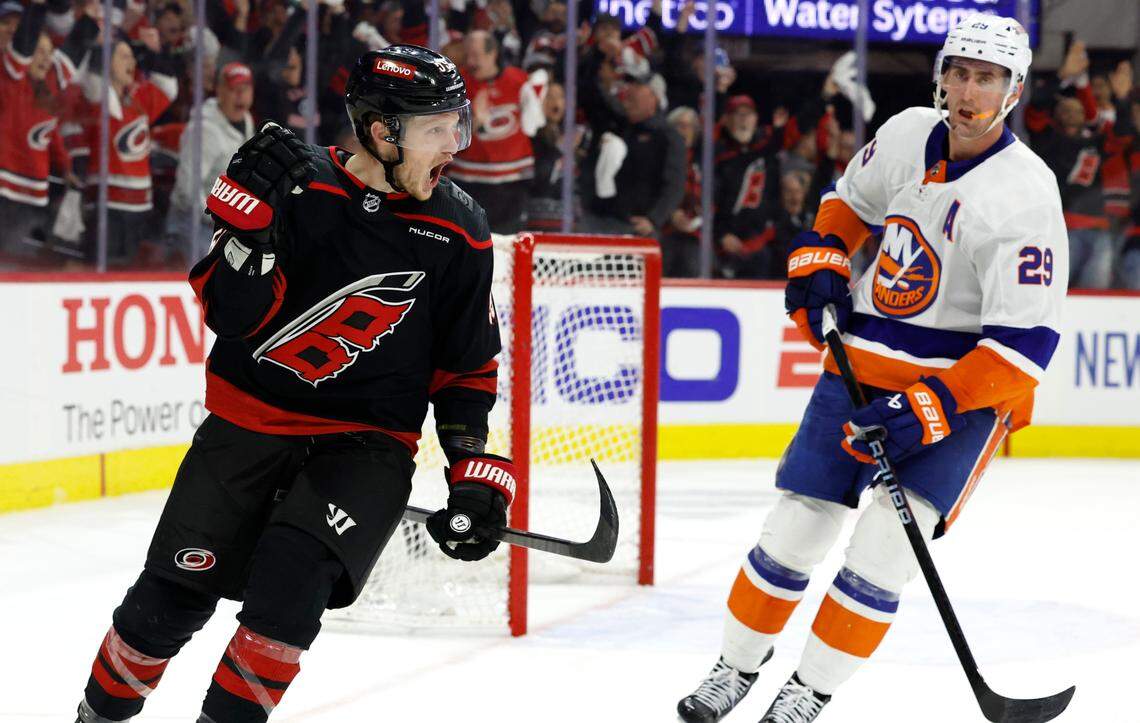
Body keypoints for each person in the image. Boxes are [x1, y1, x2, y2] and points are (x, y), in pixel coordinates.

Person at [74, 44, 517, 723]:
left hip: (367, 444)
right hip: (246, 425)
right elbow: (232, 316)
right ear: (381, 132)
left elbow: (465, 365)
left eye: (455, 127)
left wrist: (472, 462)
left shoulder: (461, 231)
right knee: (166, 601)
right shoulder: (294, 186)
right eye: (437, 129)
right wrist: (245, 244)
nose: (453, 146)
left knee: (289, 592)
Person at [677, 14, 1067, 722]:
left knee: (884, 547)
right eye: (960, 72)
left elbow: (1022, 350)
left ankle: (808, 690)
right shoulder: (909, 131)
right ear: (940, 75)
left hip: (956, 398)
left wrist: (927, 408)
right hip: (858, 367)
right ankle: (733, 668)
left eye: (988, 77)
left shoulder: (1028, 196)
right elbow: (845, 208)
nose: (969, 89)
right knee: (794, 527)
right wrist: (825, 255)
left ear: (1013, 90)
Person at [168, 61, 256, 257]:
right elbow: (187, 187)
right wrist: (219, 217)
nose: (240, 95)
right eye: (234, 89)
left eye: (245, 88)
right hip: (193, 224)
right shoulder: (204, 130)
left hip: (226, 223)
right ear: (219, 91)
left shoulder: (246, 121)